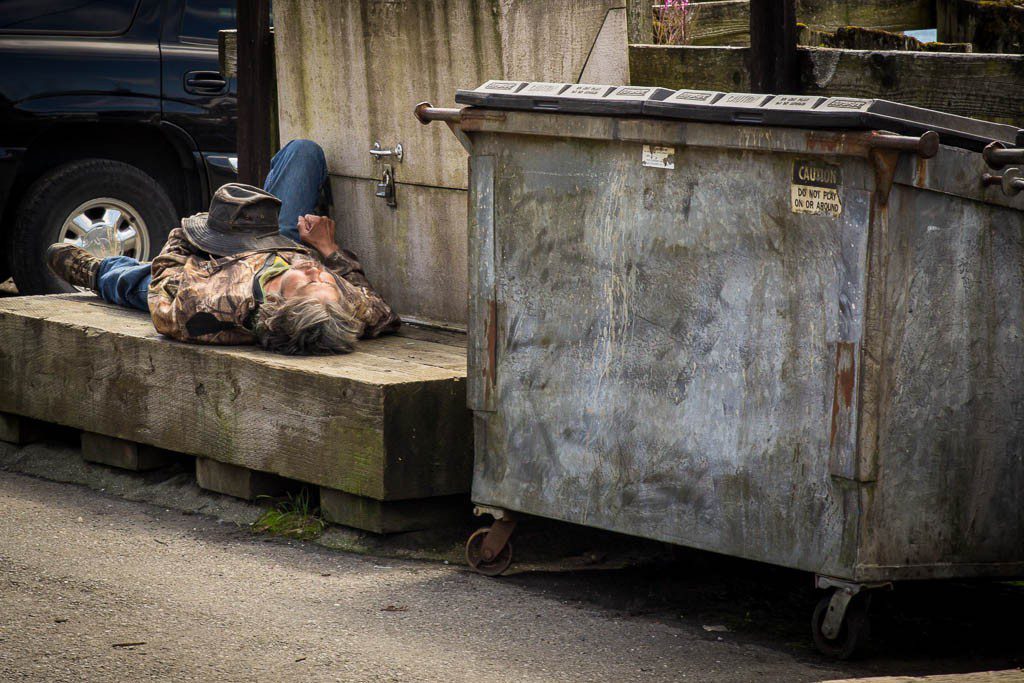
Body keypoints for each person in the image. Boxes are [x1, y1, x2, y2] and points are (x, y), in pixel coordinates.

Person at [45, 140, 399, 355]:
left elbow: (165, 276)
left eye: (308, 283)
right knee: (304, 153)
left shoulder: (205, 307)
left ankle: (98, 272)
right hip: (278, 242)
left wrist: (200, 233)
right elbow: (381, 312)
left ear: (276, 304)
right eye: (325, 281)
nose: (317, 271)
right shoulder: (339, 306)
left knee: (137, 284)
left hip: (209, 265)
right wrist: (328, 248)